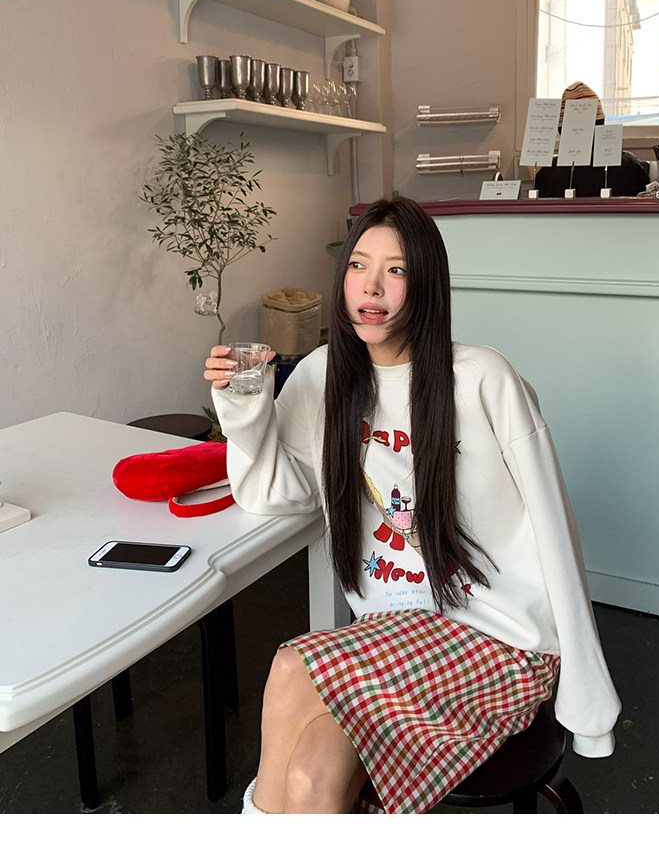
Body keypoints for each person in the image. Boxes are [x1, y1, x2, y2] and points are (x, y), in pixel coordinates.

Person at [204, 195, 620, 814]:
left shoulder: (482, 379)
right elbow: (274, 492)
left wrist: (588, 702)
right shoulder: (323, 374)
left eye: (395, 270)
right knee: (313, 774)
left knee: (293, 669)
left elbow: (555, 528)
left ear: (426, 284)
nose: (371, 287)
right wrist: (243, 407)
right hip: (393, 632)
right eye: (358, 265)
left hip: (501, 640)